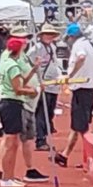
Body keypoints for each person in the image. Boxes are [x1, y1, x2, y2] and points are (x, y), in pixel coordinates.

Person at [0, 31, 47, 187]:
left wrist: (34, 69)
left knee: (12, 142)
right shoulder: (12, 65)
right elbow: (18, 89)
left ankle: (9, 176)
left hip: (10, 103)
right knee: (11, 143)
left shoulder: (8, 62)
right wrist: (34, 90)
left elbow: (21, 80)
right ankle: (6, 178)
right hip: (11, 103)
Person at [54, 23, 93, 168]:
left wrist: (70, 75)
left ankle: (91, 158)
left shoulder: (79, 46)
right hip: (87, 89)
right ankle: (65, 155)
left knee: (83, 127)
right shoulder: (89, 45)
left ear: (71, 37)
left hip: (82, 89)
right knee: (77, 125)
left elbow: (81, 58)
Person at [28, 22, 62, 151]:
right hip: (43, 84)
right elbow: (28, 63)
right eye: (47, 34)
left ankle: (44, 135)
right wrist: (36, 80)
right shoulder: (36, 49)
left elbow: (55, 63)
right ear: (41, 36)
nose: (49, 36)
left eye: (51, 34)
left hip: (53, 85)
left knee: (49, 113)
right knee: (42, 113)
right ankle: (40, 139)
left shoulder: (52, 47)